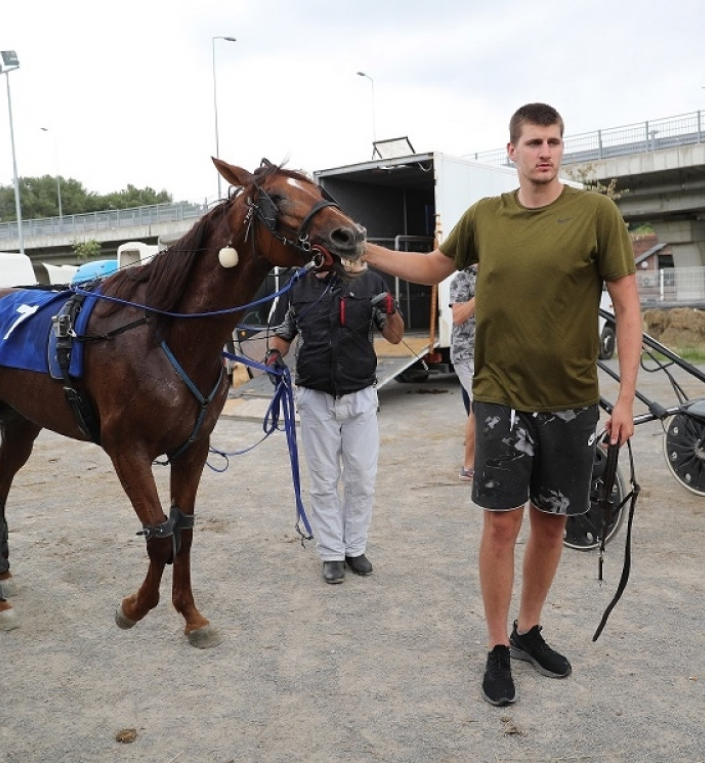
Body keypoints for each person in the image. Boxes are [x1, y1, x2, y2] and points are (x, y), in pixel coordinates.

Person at [363, 102, 642, 706]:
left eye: (555, 142)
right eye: (534, 142)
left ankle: (528, 629)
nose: (546, 152)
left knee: (552, 524)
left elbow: (628, 308)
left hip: (571, 401)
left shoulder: (596, 214)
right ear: (511, 151)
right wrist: (366, 251)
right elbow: (434, 267)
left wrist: (623, 396)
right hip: (499, 399)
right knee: (500, 525)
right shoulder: (486, 217)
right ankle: (495, 646)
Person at [265, 262, 405, 584]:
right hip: (315, 396)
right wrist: (274, 355)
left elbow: (395, 336)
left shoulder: (370, 281)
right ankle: (331, 553)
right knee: (324, 479)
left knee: (362, 478)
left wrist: (391, 309)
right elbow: (285, 333)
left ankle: (355, 547)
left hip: (360, 395)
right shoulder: (297, 285)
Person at [450, 264, 478, 480]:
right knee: (479, 405)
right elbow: (458, 316)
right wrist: (482, 295)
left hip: (489, 352)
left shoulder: (493, 274)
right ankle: (469, 466)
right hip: (465, 352)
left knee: (481, 406)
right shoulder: (461, 279)